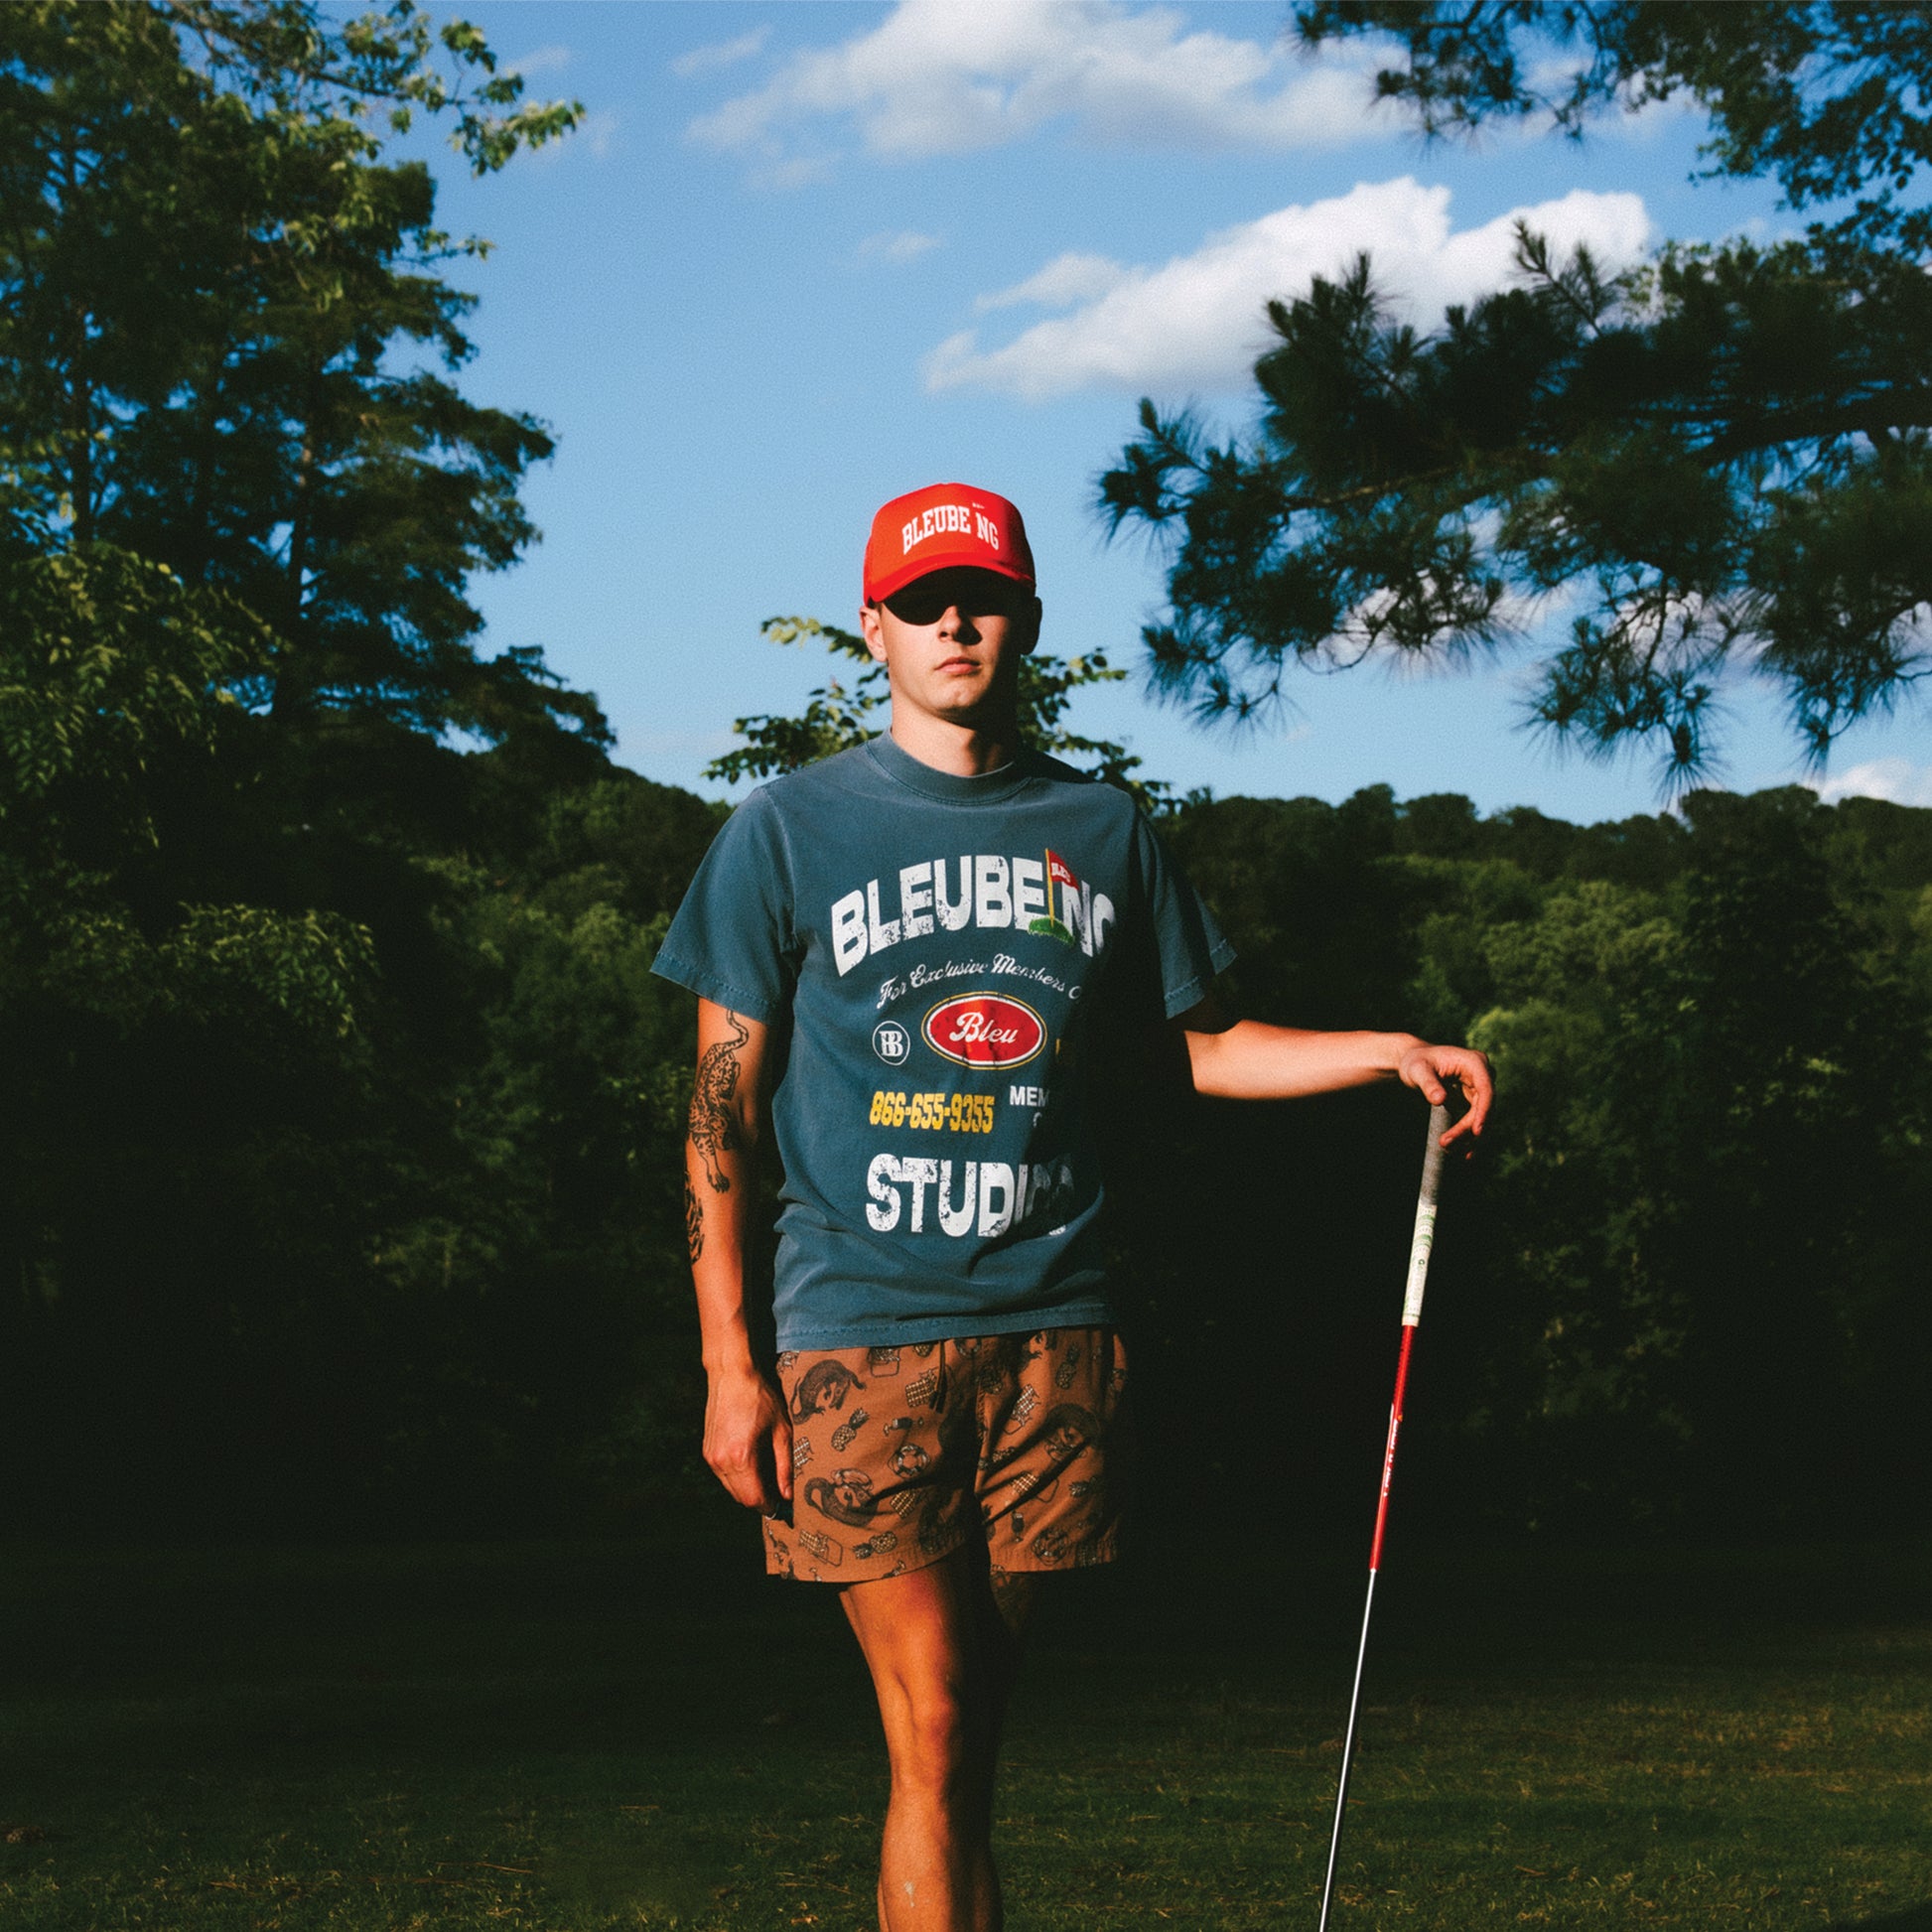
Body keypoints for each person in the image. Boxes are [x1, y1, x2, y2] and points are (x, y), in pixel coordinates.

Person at [651, 483, 1492, 1932]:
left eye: (978, 596)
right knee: (931, 1718)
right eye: (920, 603)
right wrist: (730, 1362)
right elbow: (720, 1109)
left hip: (1056, 1335)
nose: (952, 622)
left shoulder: (1100, 827)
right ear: (875, 629)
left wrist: (1382, 1051)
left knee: (966, 1747)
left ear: (1025, 617)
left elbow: (1193, 1047)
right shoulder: (785, 829)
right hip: (860, 1324)